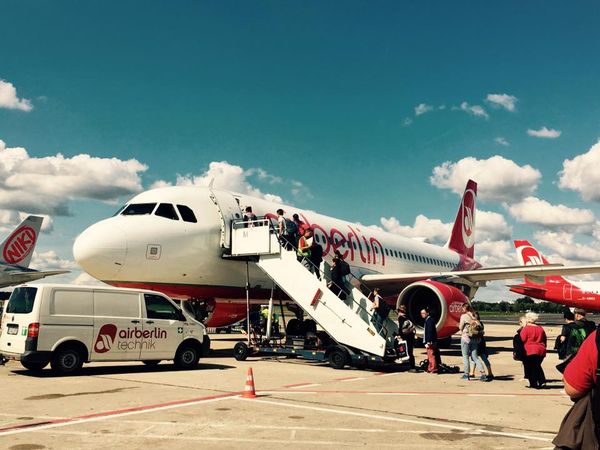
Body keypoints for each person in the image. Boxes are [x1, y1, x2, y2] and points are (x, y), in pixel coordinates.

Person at [519, 312, 547, 389]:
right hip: (540, 349)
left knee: (530, 368)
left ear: (528, 319)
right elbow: (544, 339)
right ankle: (542, 381)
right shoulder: (540, 328)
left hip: (530, 350)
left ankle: (534, 383)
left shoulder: (526, 329)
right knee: (537, 366)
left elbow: (522, 339)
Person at [459, 304, 487, 381]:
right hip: (475, 338)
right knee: (475, 357)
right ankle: (483, 373)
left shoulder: (464, 316)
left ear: (465, 308)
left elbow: (460, 327)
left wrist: (460, 327)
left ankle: (466, 374)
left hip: (466, 338)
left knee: (465, 356)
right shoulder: (474, 316)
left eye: (463, 308)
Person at [397, 305, 417, 371]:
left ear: (400, 311)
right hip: (411, 336)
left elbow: (400, 328)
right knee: (410, 352)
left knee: (405, 351)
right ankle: (412, 366)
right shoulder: (408, 317)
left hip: (406, 337)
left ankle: (411, 367)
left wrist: (400, 335)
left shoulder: (401, 318)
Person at [421, 308, 440, 373]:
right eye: (421, 313)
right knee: (429, 355)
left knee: (431, 355)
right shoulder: (428, 320)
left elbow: (430, 331)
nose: (422, 315)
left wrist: (428, 341)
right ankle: (430, 367)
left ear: (427, 313)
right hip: (430, 341)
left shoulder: (429, 321)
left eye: (423, 313)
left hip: (430, 341)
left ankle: (433, 368)